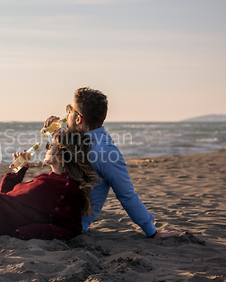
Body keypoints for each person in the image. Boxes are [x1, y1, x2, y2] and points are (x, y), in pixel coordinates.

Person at [44, 87, 180, 239]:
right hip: (50, 212)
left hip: (64, 223)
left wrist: (152, 232)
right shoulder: (84, 140)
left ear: (78, 119)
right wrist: (55, 135)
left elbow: (127, 196)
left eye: (69, 110)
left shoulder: (105, 152)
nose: (66, 113)